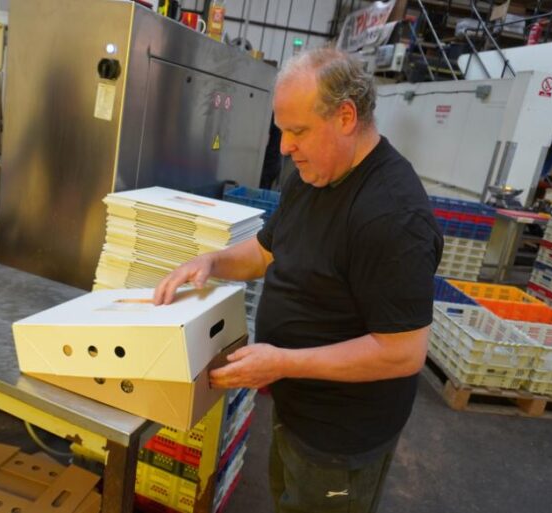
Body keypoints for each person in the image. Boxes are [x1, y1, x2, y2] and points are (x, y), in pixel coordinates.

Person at [155, 46, 443, 513]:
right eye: (282, 130)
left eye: (297, 131)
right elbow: (268, 252)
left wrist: (282, 362)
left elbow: (403, 352)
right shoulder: (311, 174)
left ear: (346, 116)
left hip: (342, 440)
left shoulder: (393, 217)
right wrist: (212, 261)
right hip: (297, 411)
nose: (285, 146)